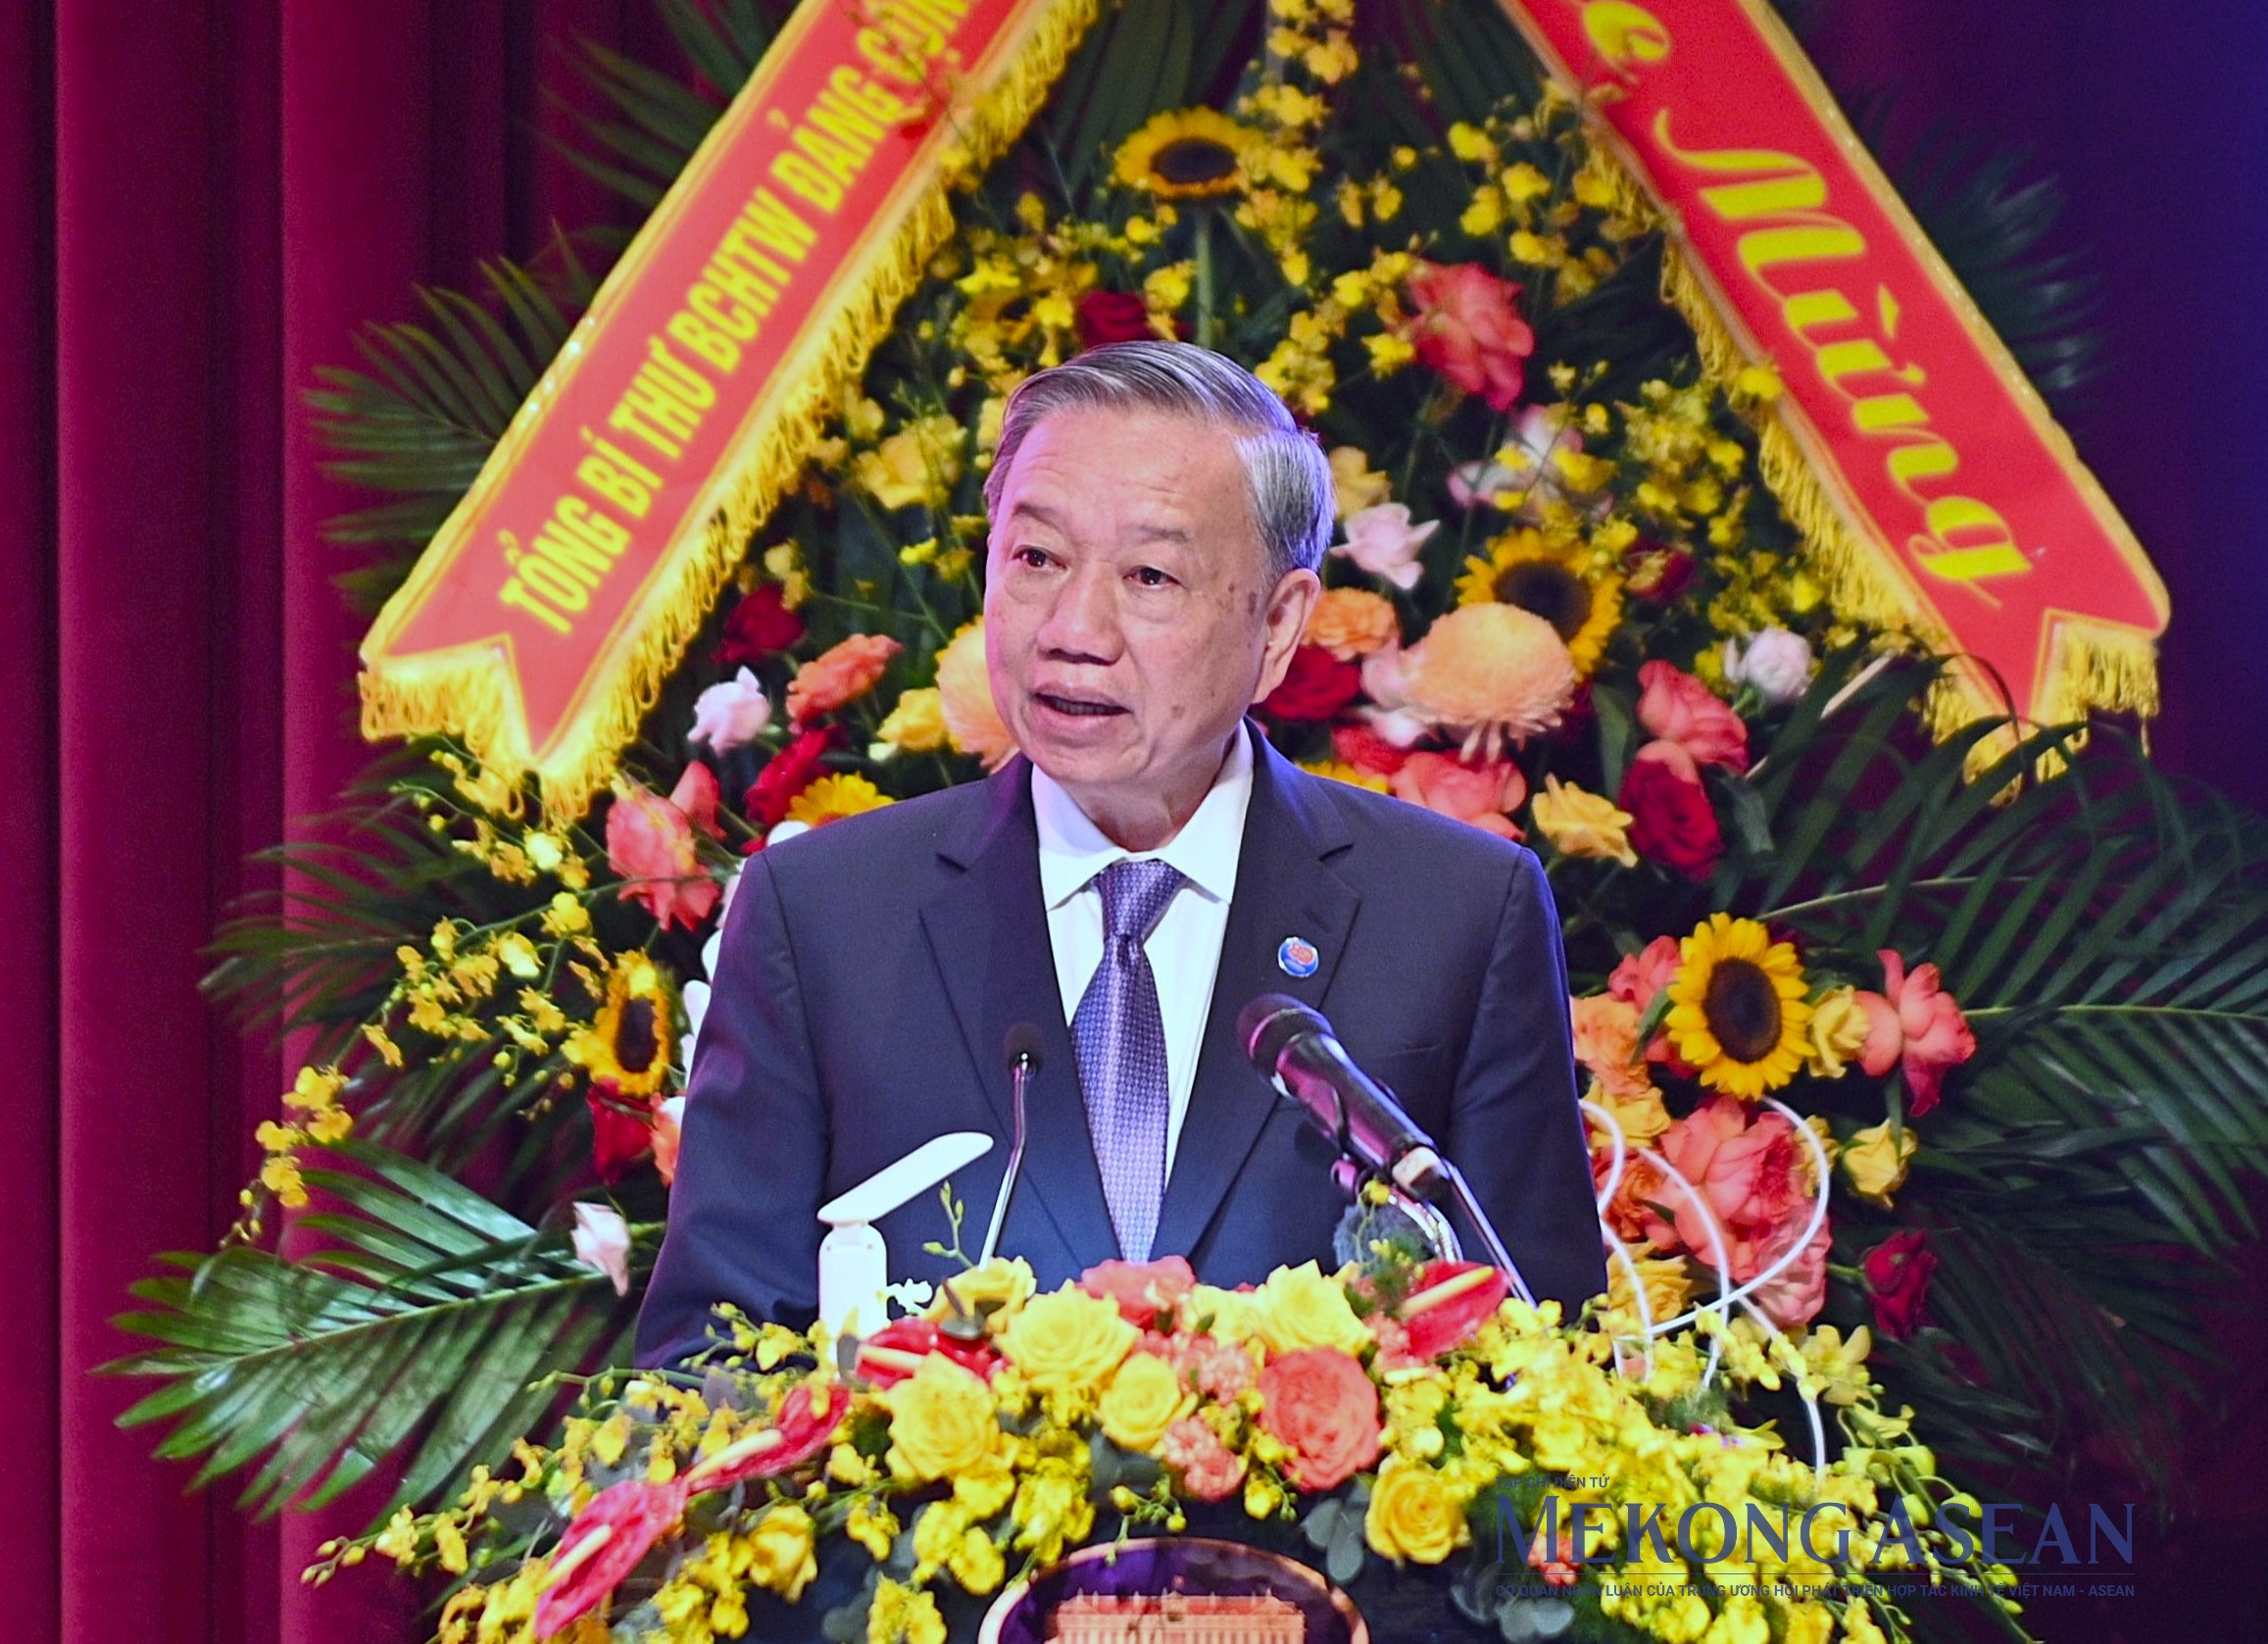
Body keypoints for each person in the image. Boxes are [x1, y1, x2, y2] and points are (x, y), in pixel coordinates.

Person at [636, 341, 1604, 1367]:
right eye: (1036, 558)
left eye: (1149, 575)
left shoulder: (1456, 912)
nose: (1072, 628)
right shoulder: (823, 914)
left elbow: (1554, 1366)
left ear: (1279, 626)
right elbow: (704, 1364)